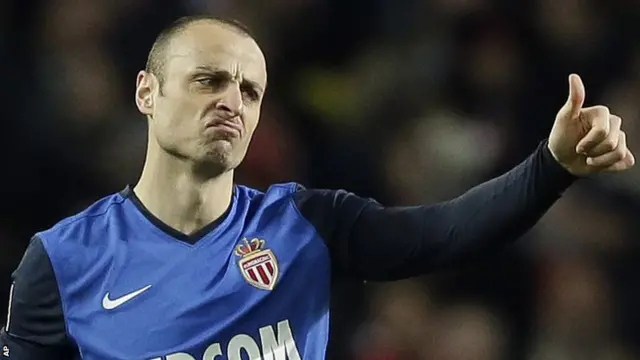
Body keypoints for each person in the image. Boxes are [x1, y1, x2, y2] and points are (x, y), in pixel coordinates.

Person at [1, 15, 634, 360]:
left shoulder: (305, 225)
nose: (232, 102)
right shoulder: (62, 262)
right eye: (208, 80)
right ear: (147, 91)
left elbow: (446, 233)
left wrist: (552, 164)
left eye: (250, 91)